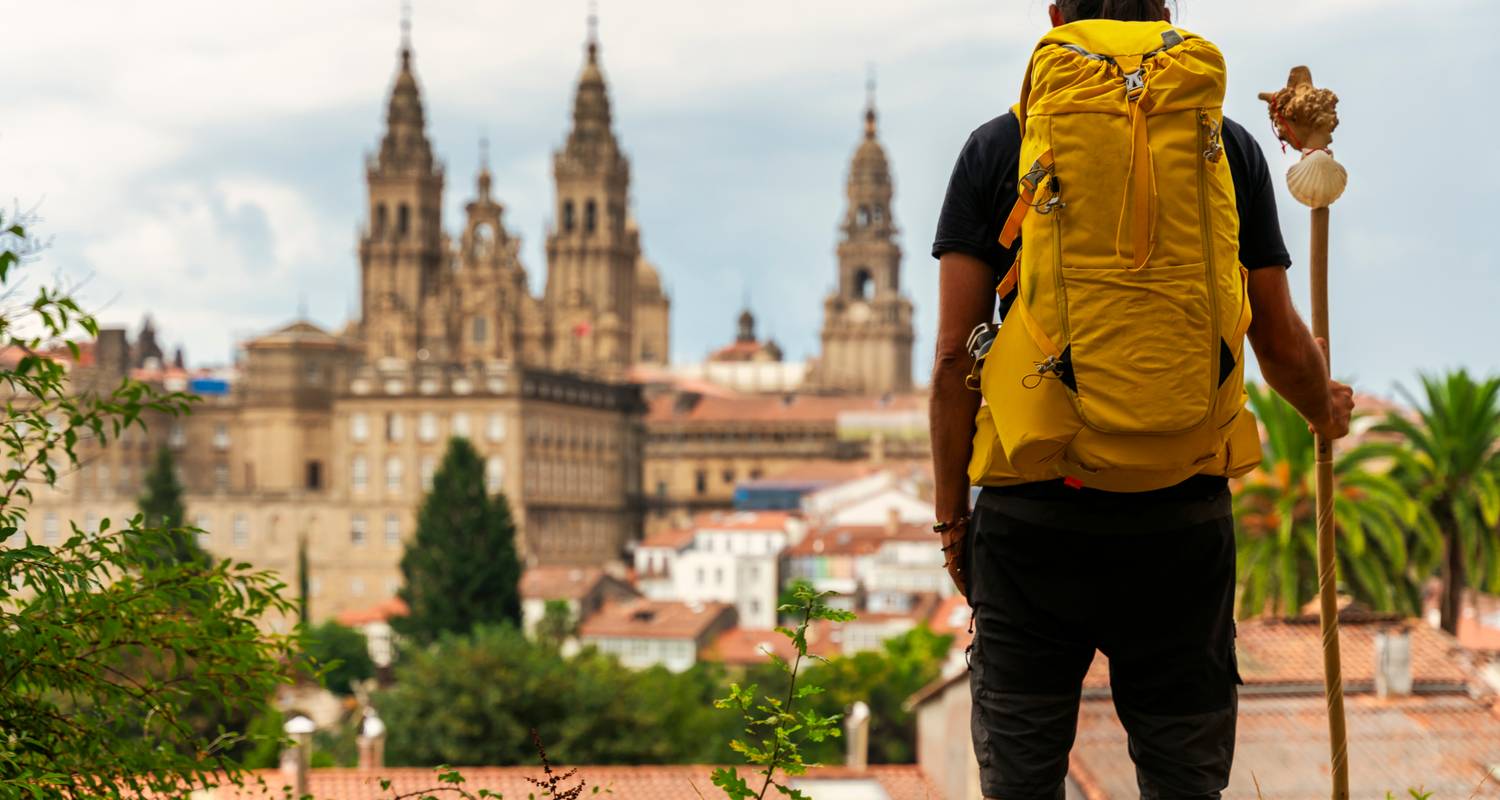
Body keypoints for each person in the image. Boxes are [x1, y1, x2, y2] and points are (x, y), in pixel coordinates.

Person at [927, 1, 1356, 797]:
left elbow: (955, 355)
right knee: (1183, 780)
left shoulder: (999, 147)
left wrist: (955, 521)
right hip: (1180, 514)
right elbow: (1277, 341)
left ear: (1055, 15)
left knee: (1021, 780)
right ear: (1166, 11)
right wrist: (1323, 406)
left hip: (1032, 517)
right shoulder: (1224, 147)